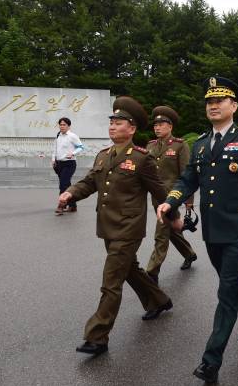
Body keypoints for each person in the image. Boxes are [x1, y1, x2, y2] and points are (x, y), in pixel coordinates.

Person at [156, 76, 238, 383]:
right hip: (213, 231)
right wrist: (171, 201)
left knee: (225, 291)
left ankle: (211, 361)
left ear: (233, 106)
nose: (213, 106)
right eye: (209, 102)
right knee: (234, 285)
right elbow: (187, 180)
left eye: (219, 101)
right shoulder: (199, 143)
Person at [59, 96, 181, 356]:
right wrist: (70, 193)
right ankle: (159, 300)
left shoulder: (141, 158)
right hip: (107, 226)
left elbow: (160, 191)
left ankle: (98, 336)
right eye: (111, 122)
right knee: (129, 270)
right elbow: (90, 182)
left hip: (129, 228)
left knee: (111, 280)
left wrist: (174, 214)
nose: (112, 126)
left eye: (119, 122)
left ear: (132, 128)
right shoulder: (104, 156)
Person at [145, 106, 198, 284]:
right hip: (155, 197)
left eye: (161, 124)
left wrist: (189, 202)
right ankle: (189, 254)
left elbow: (187, 175)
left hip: (172, 197)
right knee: (172, 231)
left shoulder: (179, 145)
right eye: (155, 124)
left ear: (170, 126)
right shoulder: (150, 146)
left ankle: (151, 272)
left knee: (161, 233)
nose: (157, 127)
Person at [52, 117, 83, 215]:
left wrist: (73, 153)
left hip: (69, 164)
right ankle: (73, 205)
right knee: (66, 185)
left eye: (64, 124)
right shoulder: (58, 135)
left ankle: (61, 206)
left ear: (69, 126)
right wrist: (53, 159)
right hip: (59, 164)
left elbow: (81, 147)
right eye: (60, 124)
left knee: (63, 184)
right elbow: (55, 149)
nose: (62, 126)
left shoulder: (72, 136)